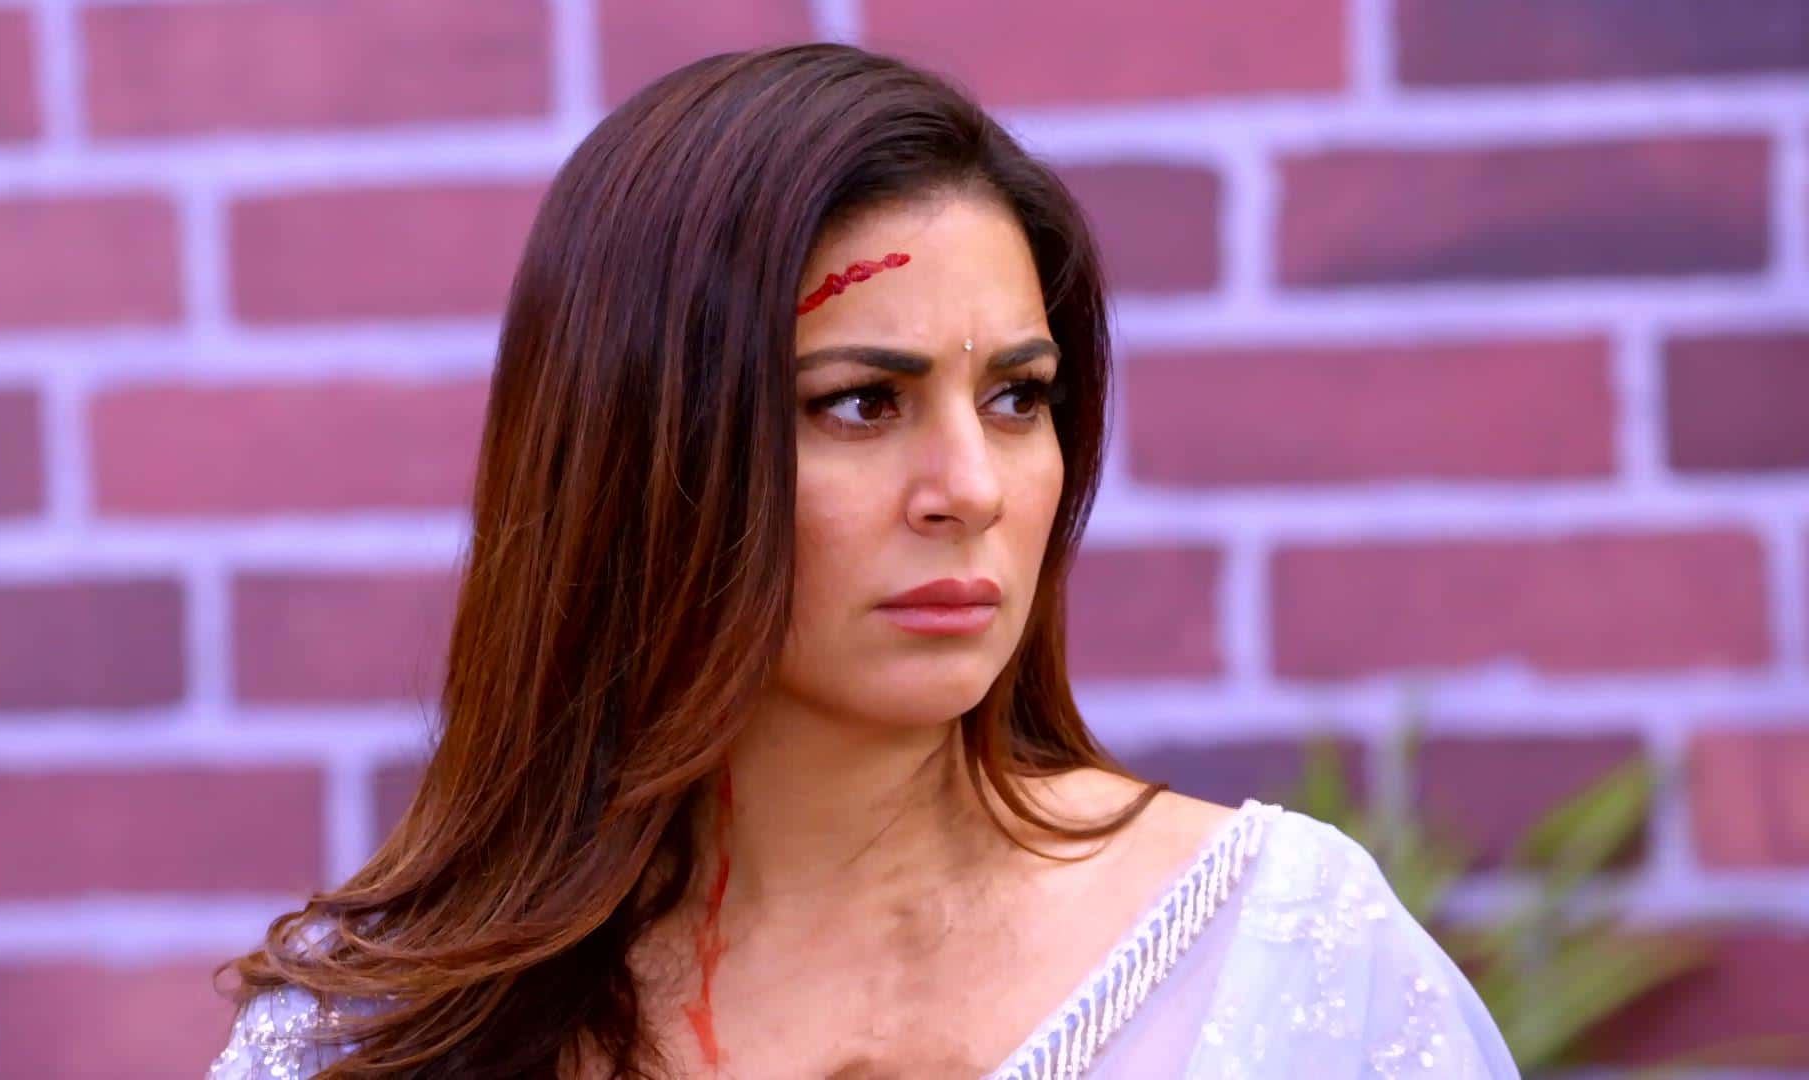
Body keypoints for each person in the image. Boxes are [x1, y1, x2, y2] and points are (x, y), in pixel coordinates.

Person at [207, 42, 1520, 1079]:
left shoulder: (1277, 954)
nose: (971, 489)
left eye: (1018, 398)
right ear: (641, 453)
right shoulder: (372, 1031)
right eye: (860, 402)